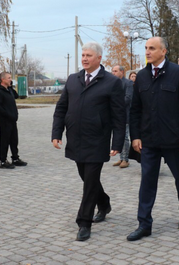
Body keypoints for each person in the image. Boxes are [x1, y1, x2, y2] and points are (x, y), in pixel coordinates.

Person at [52, 42, 126, 242]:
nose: (84, 58)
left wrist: (117, 144)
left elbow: (119, 116)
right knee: (86, 177)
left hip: (98, 140)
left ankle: (84, 222)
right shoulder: (73, 80)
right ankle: (104, 202)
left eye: (89, 55)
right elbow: (61, 108)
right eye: (83, 55)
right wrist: (56, 132)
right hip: (75, 138)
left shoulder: (111, 82)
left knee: (90, 181)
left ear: (99, 58)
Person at [127, 37, 179, 242]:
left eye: (152, 48)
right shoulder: (141, 76)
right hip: (149, 141)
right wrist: (136, 136)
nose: (147, 52)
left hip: (174, 141)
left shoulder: (178, 73)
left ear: (164, 51)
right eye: (146, 48)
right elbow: (135, 109)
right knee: (147, 182)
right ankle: (144, 224)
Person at [0, 72, 27, 169]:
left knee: (14, 140)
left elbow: (16, 96)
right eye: (8, 78)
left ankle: (15, 158)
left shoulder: (9, 90)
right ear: (3, 79)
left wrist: (11, 87)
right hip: (5, 120)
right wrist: (7, 114)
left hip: (13, 119)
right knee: (4, 141)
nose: (10, 80)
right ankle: (3, 161)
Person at [111, 65, 134, 169]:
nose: (113, 73)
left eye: (115, 71)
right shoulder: (112, 83)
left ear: (122, 72)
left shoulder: (128, 83)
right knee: (118, 136)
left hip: (125, 114)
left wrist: (115, 104)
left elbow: (128, 98)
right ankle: (121, 157)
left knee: (125, 137)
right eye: (112, 71)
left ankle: (125, 159)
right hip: (115, 115)